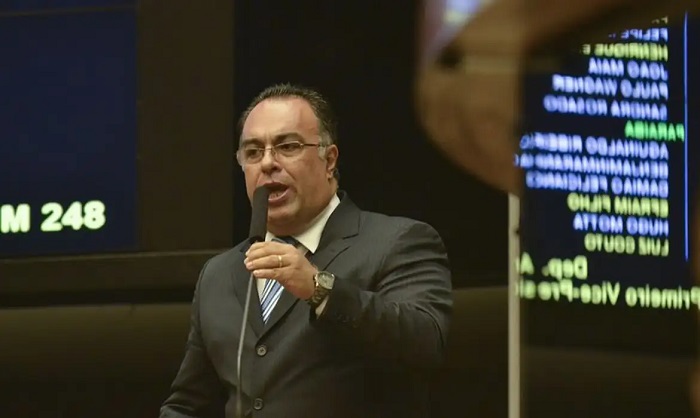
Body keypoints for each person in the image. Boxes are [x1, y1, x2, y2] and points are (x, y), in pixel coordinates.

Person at [159, 83, 453, 418]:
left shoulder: (397, 242)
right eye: (253, 152)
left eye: (287, 146)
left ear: (329, 160)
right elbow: (188, 405)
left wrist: (319, 288)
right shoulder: (219, 274)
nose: (267, 163)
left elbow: (426, 343)